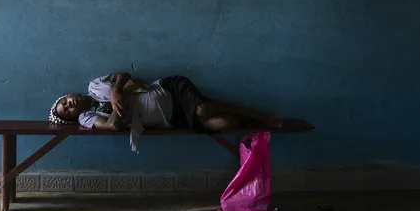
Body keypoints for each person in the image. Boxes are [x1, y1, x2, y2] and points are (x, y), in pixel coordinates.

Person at [49, 73, 282, 152]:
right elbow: (112, 126)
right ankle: (247, 121)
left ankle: (259, 116)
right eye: (67, 110)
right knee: (222, 124)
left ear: (70, 94)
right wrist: (120, 104)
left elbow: (122, 75)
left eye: (65, 101)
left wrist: (115, 90)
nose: (69, 104)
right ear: (73, 117)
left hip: (170, 90)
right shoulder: (86, 117)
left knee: (203, 108)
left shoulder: (94, 85)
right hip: (170, 118)